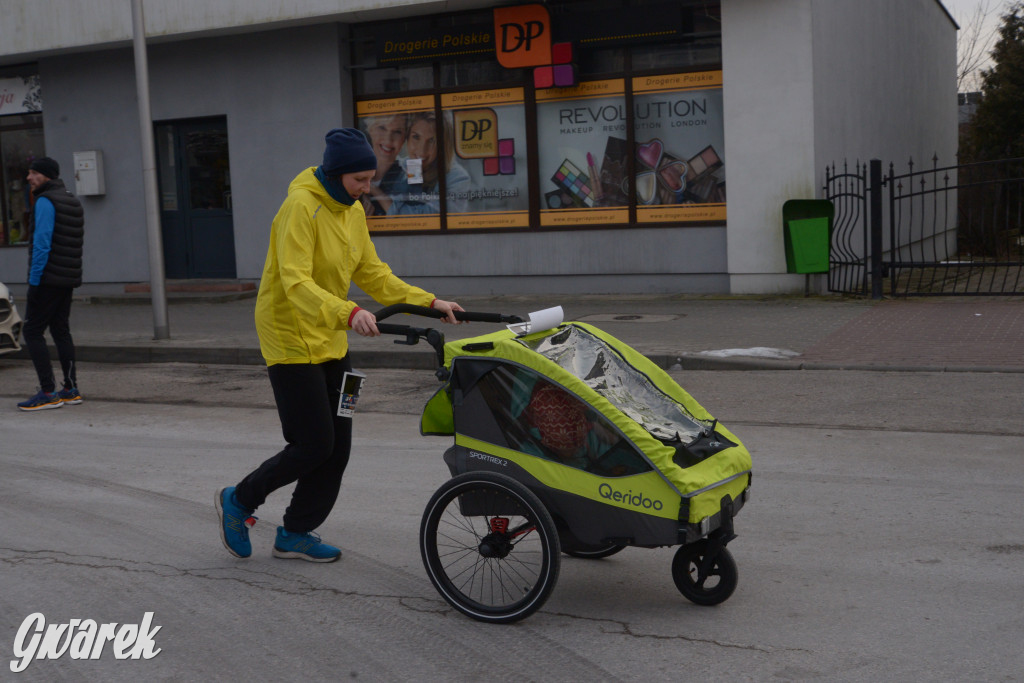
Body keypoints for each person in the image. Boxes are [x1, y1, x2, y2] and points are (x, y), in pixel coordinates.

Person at [216, 128, 465, 563]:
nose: (368, 188)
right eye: (360, 180)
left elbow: (374, 273)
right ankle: (239, 499)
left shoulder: (351, 210)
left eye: (370, 179)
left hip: (333, 339)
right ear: (335, 174)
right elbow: (295, 282)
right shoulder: (300, 208)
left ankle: (295, 531)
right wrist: (349, 313)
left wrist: (429, 302)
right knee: (313, 443)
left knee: (340, 443)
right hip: (291, 339)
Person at [17, 157, 84, 412]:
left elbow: (42, 244)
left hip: (47, 278)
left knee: (32, 331)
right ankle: (70, 389)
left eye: (33, 173)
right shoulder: (70, 199)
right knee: (60, 330)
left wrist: (34, 282)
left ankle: (47, 392)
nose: (28, 178)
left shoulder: (46, 201)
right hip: (66, 278)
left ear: (45, 176)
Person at [388, 111, 470, 215]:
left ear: (443, 145)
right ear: (407, 138)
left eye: (431, 141)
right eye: (416, 137)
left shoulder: (457, 177)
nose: (422, 150)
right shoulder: (399, 166)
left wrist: (383, 200)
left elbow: (427, 218)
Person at [360, 114, 408, 217]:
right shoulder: (354, 168)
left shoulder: (408, 174)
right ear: (370, 130)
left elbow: (407, 219)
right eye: (382, 128)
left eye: (397, 132)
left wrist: (373, 189)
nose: (388, 140)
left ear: (404, 139)